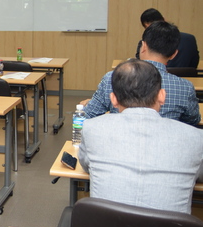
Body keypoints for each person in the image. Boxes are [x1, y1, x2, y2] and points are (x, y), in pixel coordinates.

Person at [79, 59, 203, 214]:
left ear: (114, 99)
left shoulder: (92, 128)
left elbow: (86, 165)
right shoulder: (196, 138)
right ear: (162, 96)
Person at [83, 21, 200, 125]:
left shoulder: (112, 78)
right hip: (166, 143)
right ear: (174, 54)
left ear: (143, 46)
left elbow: (88, 116)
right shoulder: (185, 87)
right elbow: (193, 120)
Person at [134, 8, 199, 68]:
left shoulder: (145, 43)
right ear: (164, 19)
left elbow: (142, 69)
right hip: (188, 76)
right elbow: (194, 64)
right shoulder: (190, 39)